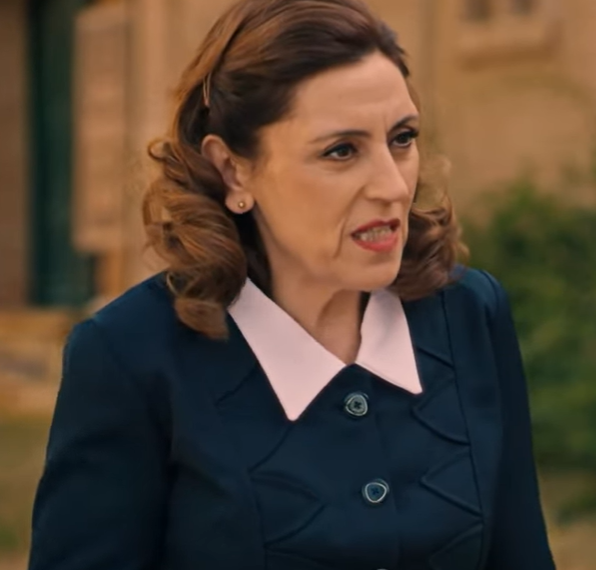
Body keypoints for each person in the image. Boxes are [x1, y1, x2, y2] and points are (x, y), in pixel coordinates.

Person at [28, 0, 556, 568]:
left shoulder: (471, 314)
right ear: (233, 170)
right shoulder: (130, 356)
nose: (393, 186)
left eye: (402, 138)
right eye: (341, 150)